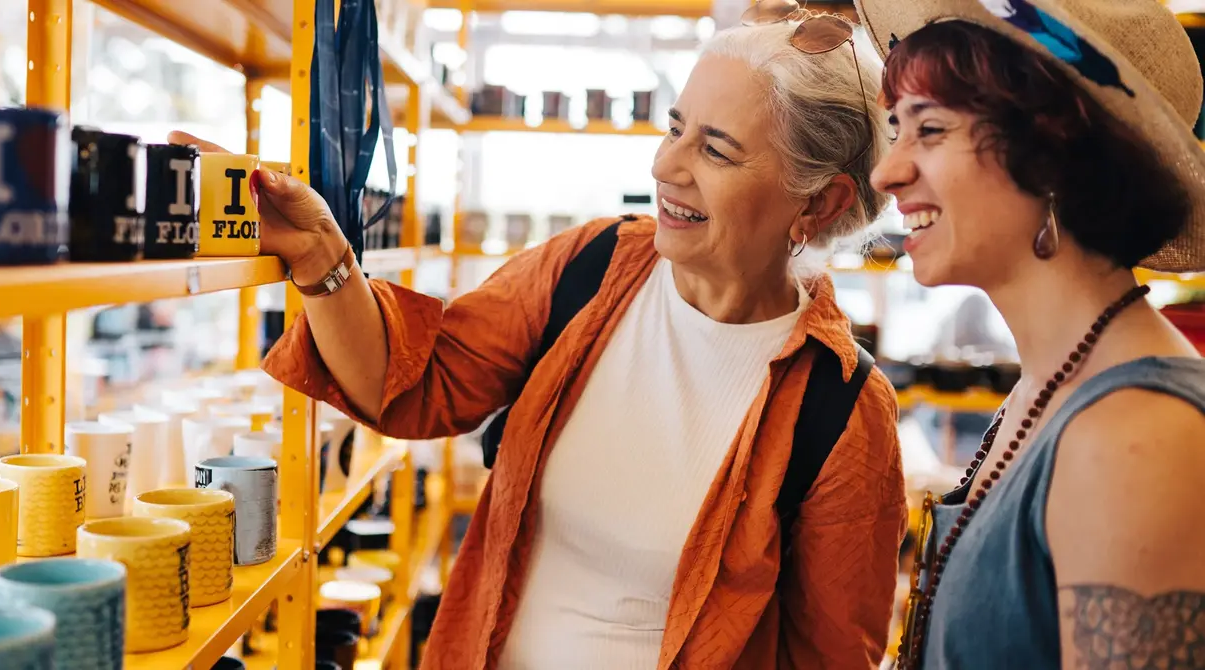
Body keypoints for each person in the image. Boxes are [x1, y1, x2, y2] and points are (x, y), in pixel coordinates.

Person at [181, 6, 905, 667]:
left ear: (822, 201)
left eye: (715, 150)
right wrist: (318, 252)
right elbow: (414, 382)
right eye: (675, 127)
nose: (665, 167)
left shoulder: (840, 409)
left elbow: (832, 656)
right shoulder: (592, 269)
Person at [856, 0, 1205, 667]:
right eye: (895, 129)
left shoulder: (1135, 438)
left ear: (1051, 154)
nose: (887, 171)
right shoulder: (1047, 392)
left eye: (928, 129)